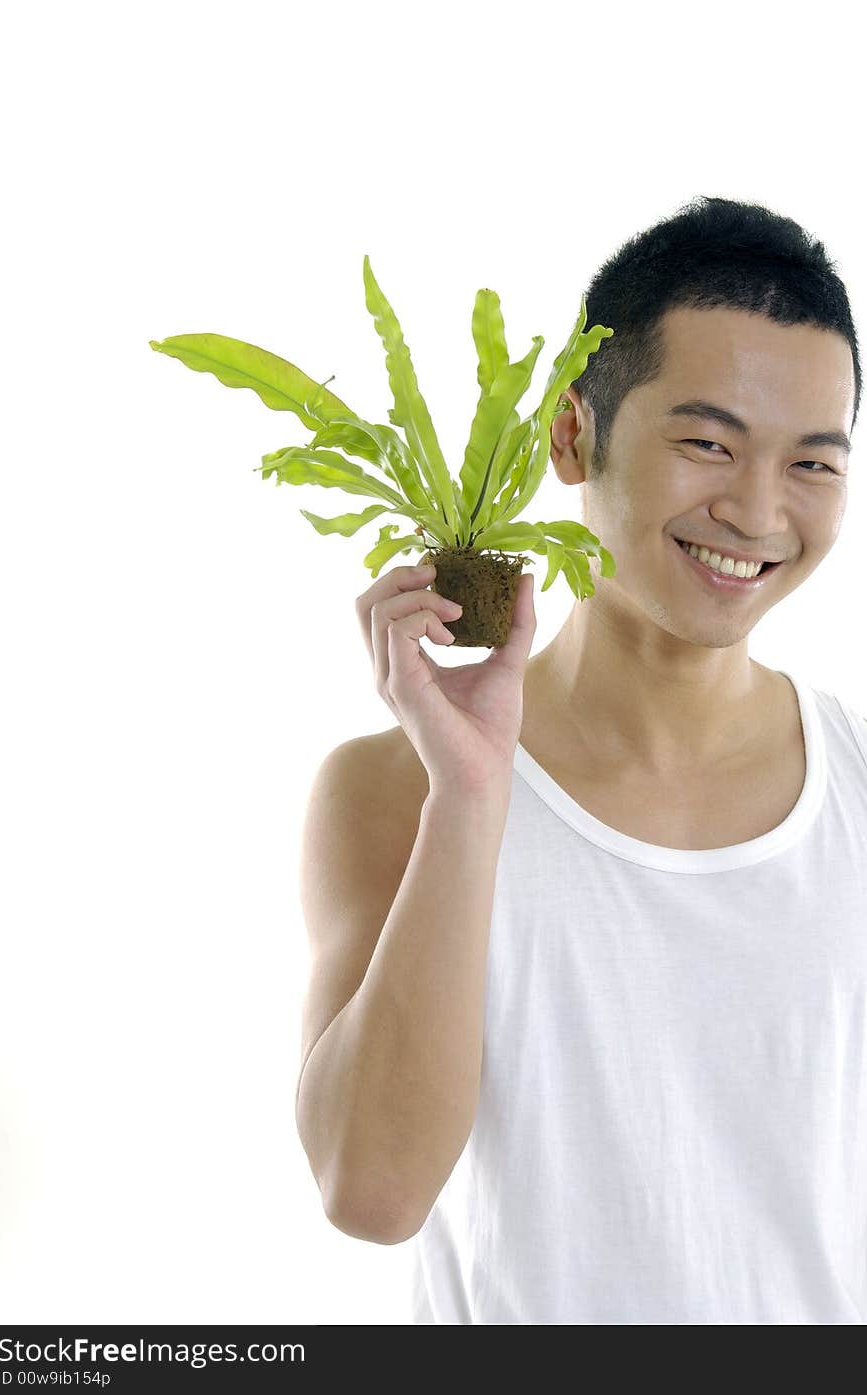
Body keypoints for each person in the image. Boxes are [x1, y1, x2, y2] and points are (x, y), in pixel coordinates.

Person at [294, 194, 867, 1324]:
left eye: (811, 463)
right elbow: (372, 1192)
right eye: (707, 443)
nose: (756, 511)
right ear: (571, 436)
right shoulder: (392, 788)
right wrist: (470, 793)